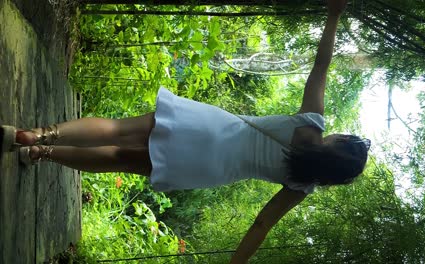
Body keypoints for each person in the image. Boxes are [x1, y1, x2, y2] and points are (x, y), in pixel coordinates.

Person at [1, 0, 368, 262]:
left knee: (117, 129)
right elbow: (260, 225)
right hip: (208, 167)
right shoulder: (302, 185)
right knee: (118, 159)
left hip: (212, 126)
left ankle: (40, 135)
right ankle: (42, 155)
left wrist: (333, 15)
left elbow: (321, 65)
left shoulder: (311, 124)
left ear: (339, 142)